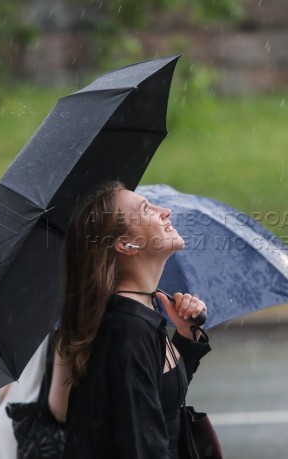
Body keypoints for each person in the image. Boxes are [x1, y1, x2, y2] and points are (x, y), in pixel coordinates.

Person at [51, 179, 211, 459]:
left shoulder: (137, 316)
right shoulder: (128, 331)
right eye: (147, 208)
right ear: (126, 244)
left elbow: (160, 398)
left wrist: (185, 337)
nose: (166, 212)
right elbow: (141, 446)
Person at [0, 334, 50, 459]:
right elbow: (59, 408)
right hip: (33, 434)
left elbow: (3, 392)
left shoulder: (20, 325)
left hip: (8, 418)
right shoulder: (62, 325)